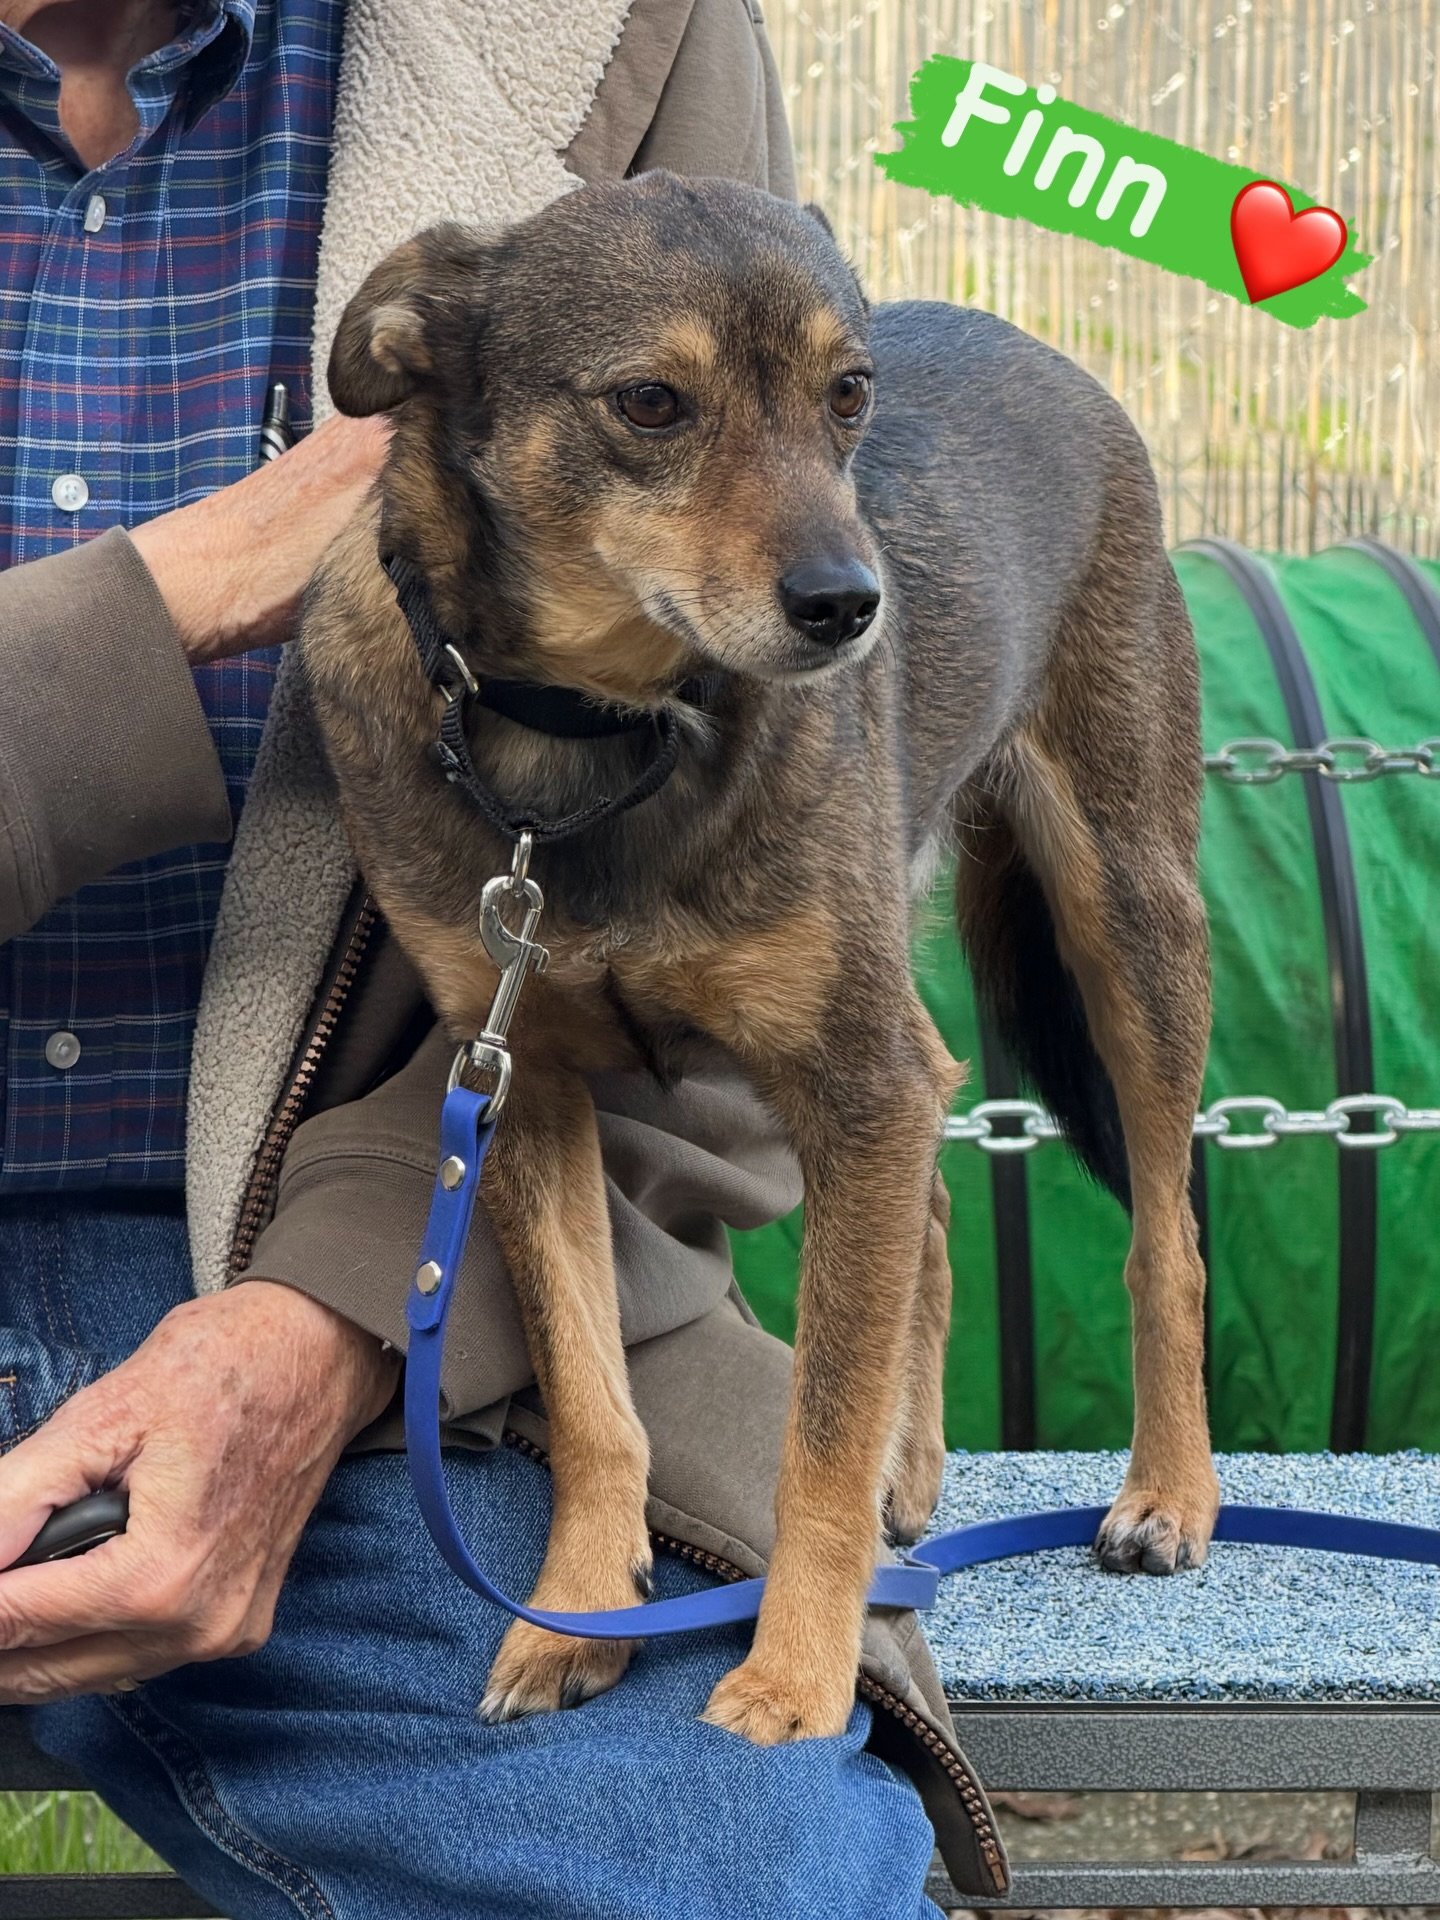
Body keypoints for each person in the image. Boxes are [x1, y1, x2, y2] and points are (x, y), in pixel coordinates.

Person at [0, 2, 1003, 1913]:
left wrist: (339, 1317)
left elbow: (728, 909)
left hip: (385, 1304)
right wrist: (172, 601)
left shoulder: (613, 33)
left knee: (730, 1883)